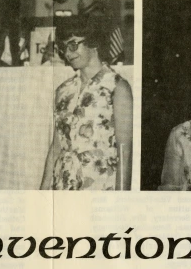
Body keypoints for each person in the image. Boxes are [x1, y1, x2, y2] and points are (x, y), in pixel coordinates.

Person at [40, 17, 133, 191]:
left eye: (73, 45)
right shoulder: (63, 91)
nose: (68, 53)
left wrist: (122, 199)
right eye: (63, 48)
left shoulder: (117, 88)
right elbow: (57, 145)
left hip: (100, 186)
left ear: (94, 43)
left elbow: (125, 152)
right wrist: (43, 189)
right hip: (64, 185)